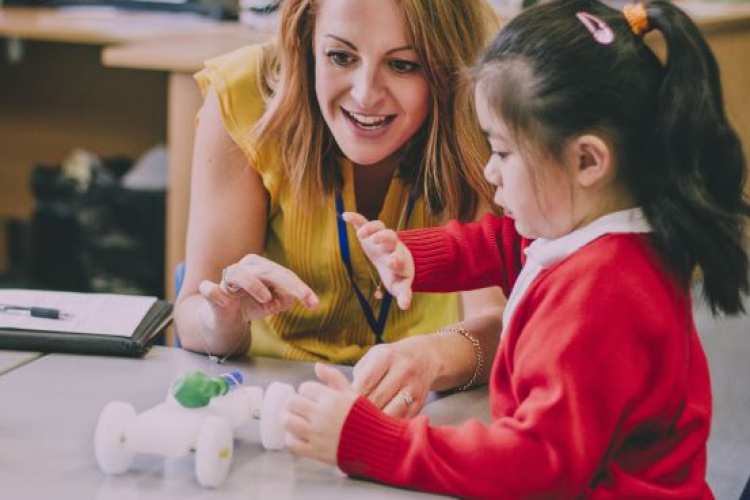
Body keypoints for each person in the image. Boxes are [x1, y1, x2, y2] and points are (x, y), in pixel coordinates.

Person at [282, 0, 750, 498]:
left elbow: (535, 465)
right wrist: (412, 254)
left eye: (503, 151)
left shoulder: (601, 296)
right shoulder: (597, 234)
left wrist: (371, 442)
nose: (490, 171)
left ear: (587, 161)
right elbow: (506, 245)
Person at [174, 0, 506, 417]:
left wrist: (434, 357)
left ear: (449, 66)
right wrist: (221, 320)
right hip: (267, 403)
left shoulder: (482, 105)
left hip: (426, 409)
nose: (365, 94)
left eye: (403, 65)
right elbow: (192, 315)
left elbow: (502, 325)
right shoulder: (246, 96)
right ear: (306, 39)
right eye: (340, 57)